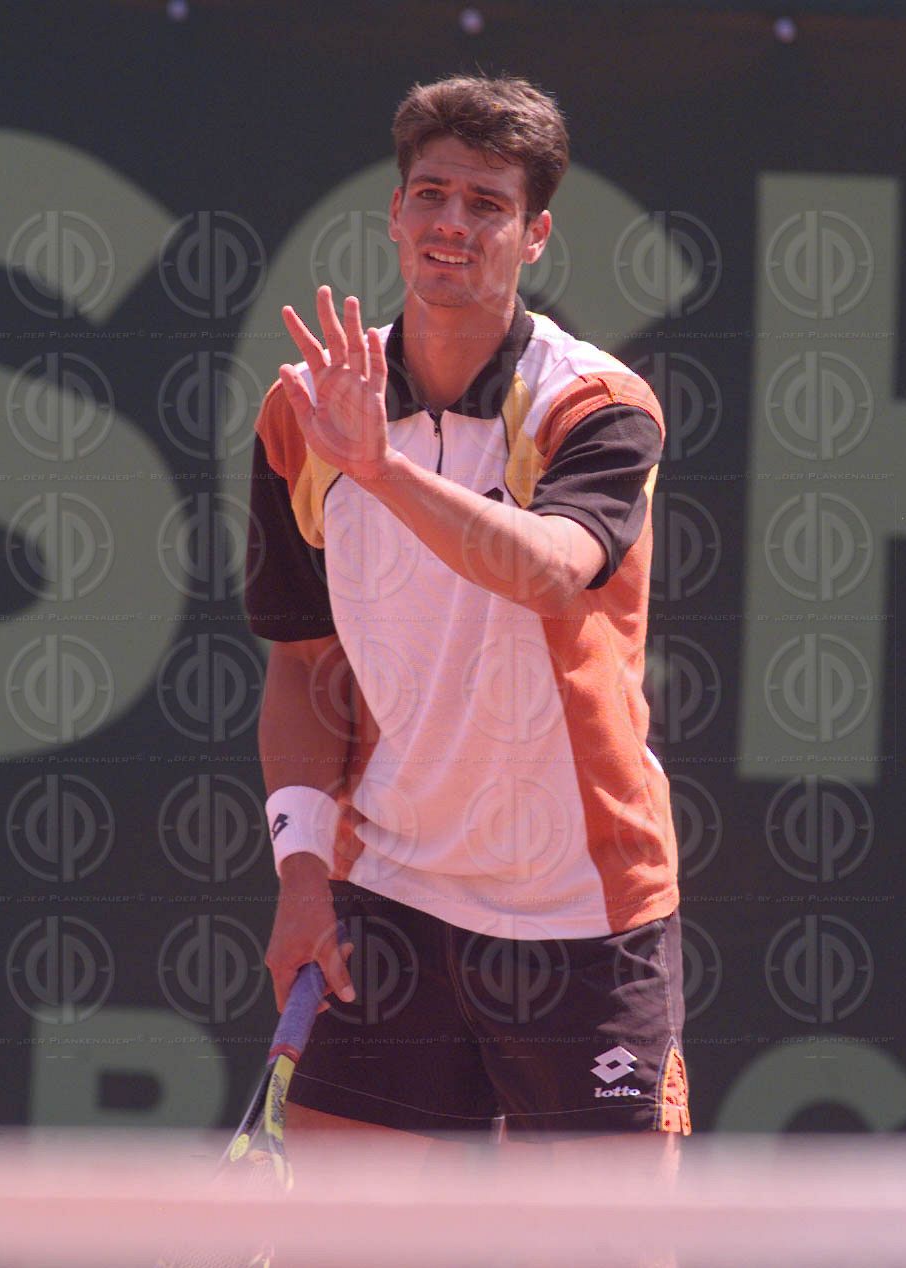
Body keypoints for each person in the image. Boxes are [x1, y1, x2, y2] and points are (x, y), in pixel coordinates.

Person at [244, 74, 690, 1174]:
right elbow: (303, 666)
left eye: (487, 204)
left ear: (533, 235)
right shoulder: (304, 413)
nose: (453, 223)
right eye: (431, 195)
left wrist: (381, 469)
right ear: (396, 214)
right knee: (345, 1248)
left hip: (583, 903)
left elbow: (550, 571)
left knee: (610, 1252)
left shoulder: (595, 407)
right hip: (390, 894)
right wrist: (302, 873)